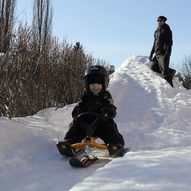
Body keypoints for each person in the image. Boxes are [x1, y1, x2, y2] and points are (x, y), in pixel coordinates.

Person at [62, 65, 125, 157]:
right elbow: (80, 105)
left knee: (110, 125)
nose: (95, 87)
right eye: (92, 84)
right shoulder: (86, 96)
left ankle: (116, 144)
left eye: (98, 84)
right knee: (75, 125)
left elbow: (110, 106)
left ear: (104, 84)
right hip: (85, 122)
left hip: (101, 123)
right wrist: (77, 112)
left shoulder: (105, 96)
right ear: (87, 85)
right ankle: (69, 142)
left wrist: (106, 113)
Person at [149, 16, 176, 87]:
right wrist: (151, 53)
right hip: (157, 54)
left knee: (165, 73)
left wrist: (167, 54)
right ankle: (171, 71)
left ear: (164, 22)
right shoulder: (156, 32)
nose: (159, 22)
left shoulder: (167, 30)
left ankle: (171, 89)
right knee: (153, 68)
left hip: (163, 54)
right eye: (158, 21)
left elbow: (169, 43)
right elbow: (154, 43)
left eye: (161, 21)